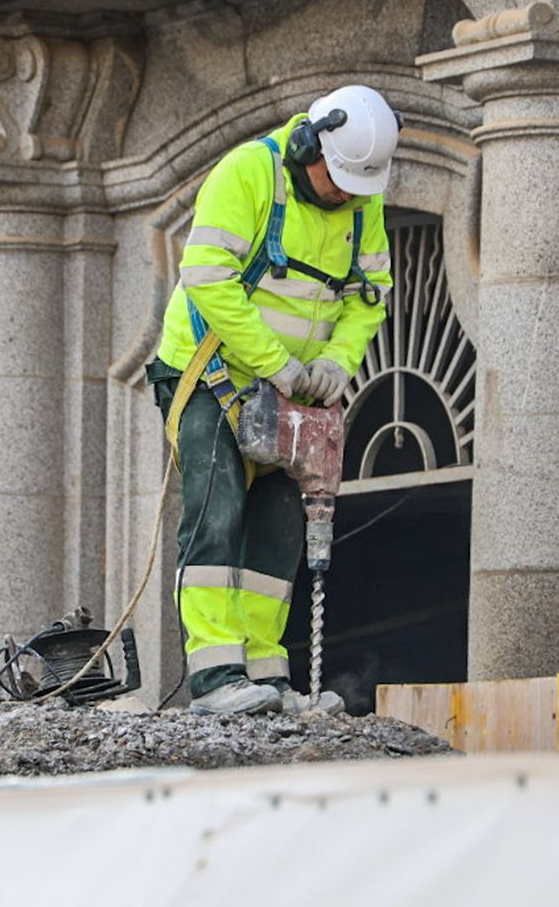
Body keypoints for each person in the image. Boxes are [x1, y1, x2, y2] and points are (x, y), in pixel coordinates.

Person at [145, 85, 398, 716]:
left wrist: (337, 364)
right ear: (310, 143)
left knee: (280, 528)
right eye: (336, 179)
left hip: (292, 389)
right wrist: (277, 363)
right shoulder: (249, 173)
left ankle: (264, 675)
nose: (344, 194)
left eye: (356, 186)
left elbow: (371, 294)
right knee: (217, 512)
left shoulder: (362, 201)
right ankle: (214, 678)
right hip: (209, 375)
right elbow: (206, 277)